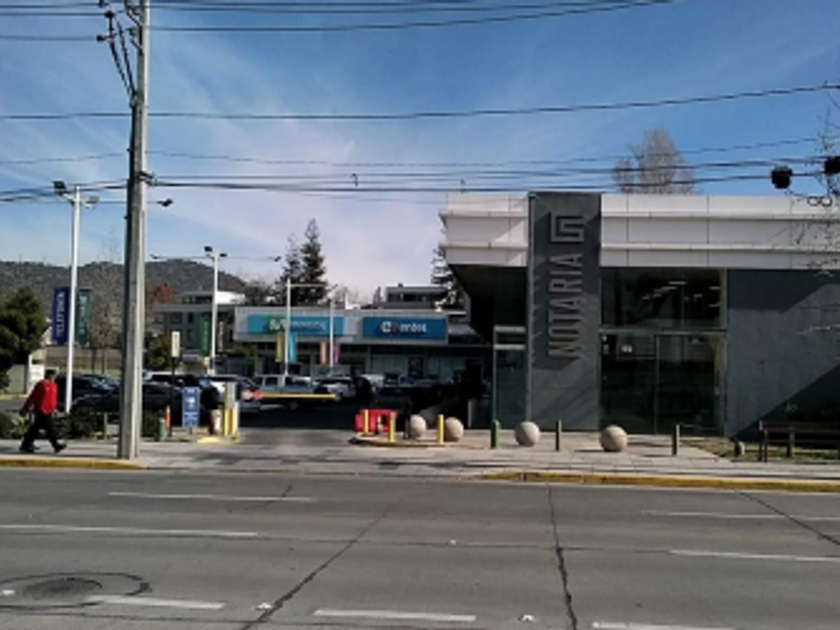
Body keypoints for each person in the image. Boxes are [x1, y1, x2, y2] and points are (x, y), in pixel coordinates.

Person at [19, 369, 66, 454]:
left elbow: (53, 399)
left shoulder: (54, 385)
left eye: (55, 375)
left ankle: (26, 445)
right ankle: (56, 444)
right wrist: (26, 408)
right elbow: (33, 396)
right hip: (41, 410)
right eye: (53, 375)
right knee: (50, 428)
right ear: (48, 375)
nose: (54, 377)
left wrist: (54, 408)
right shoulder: (41, 384)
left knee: (35, 429)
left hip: (49, 410)